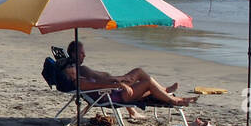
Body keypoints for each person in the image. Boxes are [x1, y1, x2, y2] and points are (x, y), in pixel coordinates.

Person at [63, 40, 196, 107]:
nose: (84, 54)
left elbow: (97, 79)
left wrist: (114, 81)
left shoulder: (80, 70)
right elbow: (87, 84)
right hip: (113, 96)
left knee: (141, 75)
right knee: (146, 81)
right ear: (73, 54)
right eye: (81, 53)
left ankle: (168, 93)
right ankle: (174, 100)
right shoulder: (77, 75)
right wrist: (118, 84)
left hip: (113, 92)